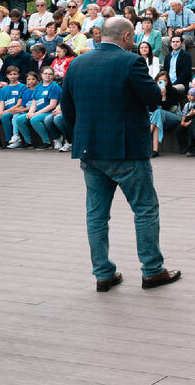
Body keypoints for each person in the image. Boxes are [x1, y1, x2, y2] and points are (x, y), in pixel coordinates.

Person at [59, 16, 181, 292]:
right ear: (127, 36)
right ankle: (152, 271)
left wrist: (77, 140)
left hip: (89, 151)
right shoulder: (131, 62)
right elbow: (153, 97)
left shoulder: (77, 63)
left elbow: (67, 109)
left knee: (96, 215)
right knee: (145, 209)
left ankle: (103, 274)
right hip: (126, 152)